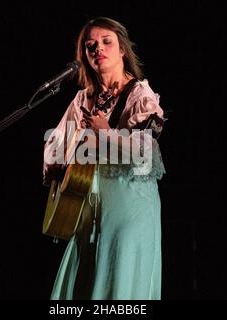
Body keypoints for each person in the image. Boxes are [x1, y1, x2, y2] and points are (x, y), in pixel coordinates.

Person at [43, 17, 166, 300]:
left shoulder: (140, 94)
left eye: (106, 42)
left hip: (128, 207)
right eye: (90, 46)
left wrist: (105, 133)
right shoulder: (82, 99)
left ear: (122, 49)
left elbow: (146, 152)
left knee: (118, 287)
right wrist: (64, 158)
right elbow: (54, 145)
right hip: (88, 208)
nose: (98, 49)